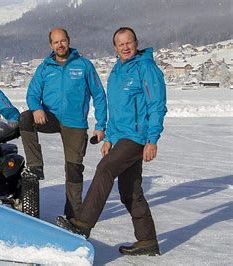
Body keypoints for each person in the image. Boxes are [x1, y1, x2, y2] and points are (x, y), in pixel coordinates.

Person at [59, 27, 167, 256]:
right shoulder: (117, 72)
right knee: (130, 191)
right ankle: (148, 240)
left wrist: (152, 139)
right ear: (115, 48)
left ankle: (82, 224)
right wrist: (109, 138)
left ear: (136, 43)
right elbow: (117, 112)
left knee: (105, 169)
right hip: (121, 138)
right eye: (121, 44)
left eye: (129, 42)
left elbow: (156, 104)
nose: (126, 47)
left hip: (137, 137)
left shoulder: (146, 68)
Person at [20, 28, 107, 221]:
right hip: (49, 117)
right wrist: (36, 108)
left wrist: (100, 125)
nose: (60, 45)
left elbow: (99, 95)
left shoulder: (84, 65)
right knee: (26, 118)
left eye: (63, 41)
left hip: (74, 122)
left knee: (74, 167)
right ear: (51, 45)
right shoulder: (45, 67)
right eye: (56, 42)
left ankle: (74, 213)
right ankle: (35, 165)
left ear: (68, 41)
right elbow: (32, 93)